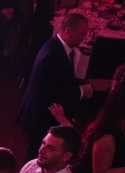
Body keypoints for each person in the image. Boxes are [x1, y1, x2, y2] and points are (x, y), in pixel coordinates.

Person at [16, 10, 91, 159]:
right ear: (68, 31)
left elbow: (60, 80)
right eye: (82, 34)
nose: (84, 38)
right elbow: (52, 92)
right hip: (40, 116)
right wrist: (82, 92)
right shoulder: (52, 55)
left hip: (42, 113)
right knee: (35, 156)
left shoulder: (57, 47)